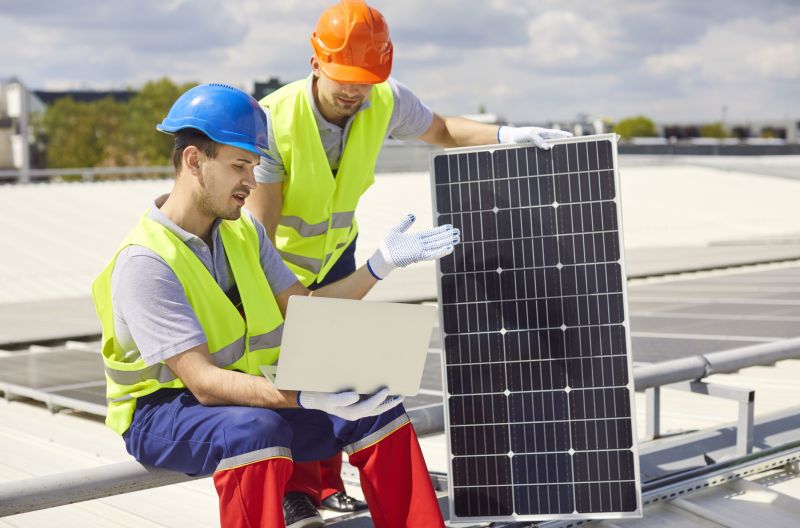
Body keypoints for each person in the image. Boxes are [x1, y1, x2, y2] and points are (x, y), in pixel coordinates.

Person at [245, 0, 573, 520]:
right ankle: (297, 489)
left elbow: (440, 130)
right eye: (345, 78)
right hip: (282, 266)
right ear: (316, 64)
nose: (355, 90)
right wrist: (300, 295)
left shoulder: (383, 100)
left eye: (367, 79)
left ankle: (325, 484)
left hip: (337, 254)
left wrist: (506, 135)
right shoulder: (271, 123)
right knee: (293, 372)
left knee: (345, 374)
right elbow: (258, 237)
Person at [91, 83, 460, 528]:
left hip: (245, 393)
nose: (251, 181)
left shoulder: (245, 234)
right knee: (256, 432)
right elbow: (204, 383)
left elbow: (310, 314)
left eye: (255, 166)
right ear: (194, 161)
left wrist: (380, 265)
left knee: (375, 404)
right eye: (239, 165)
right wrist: (303, 395)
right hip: (162, 412)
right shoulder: (146, 262)